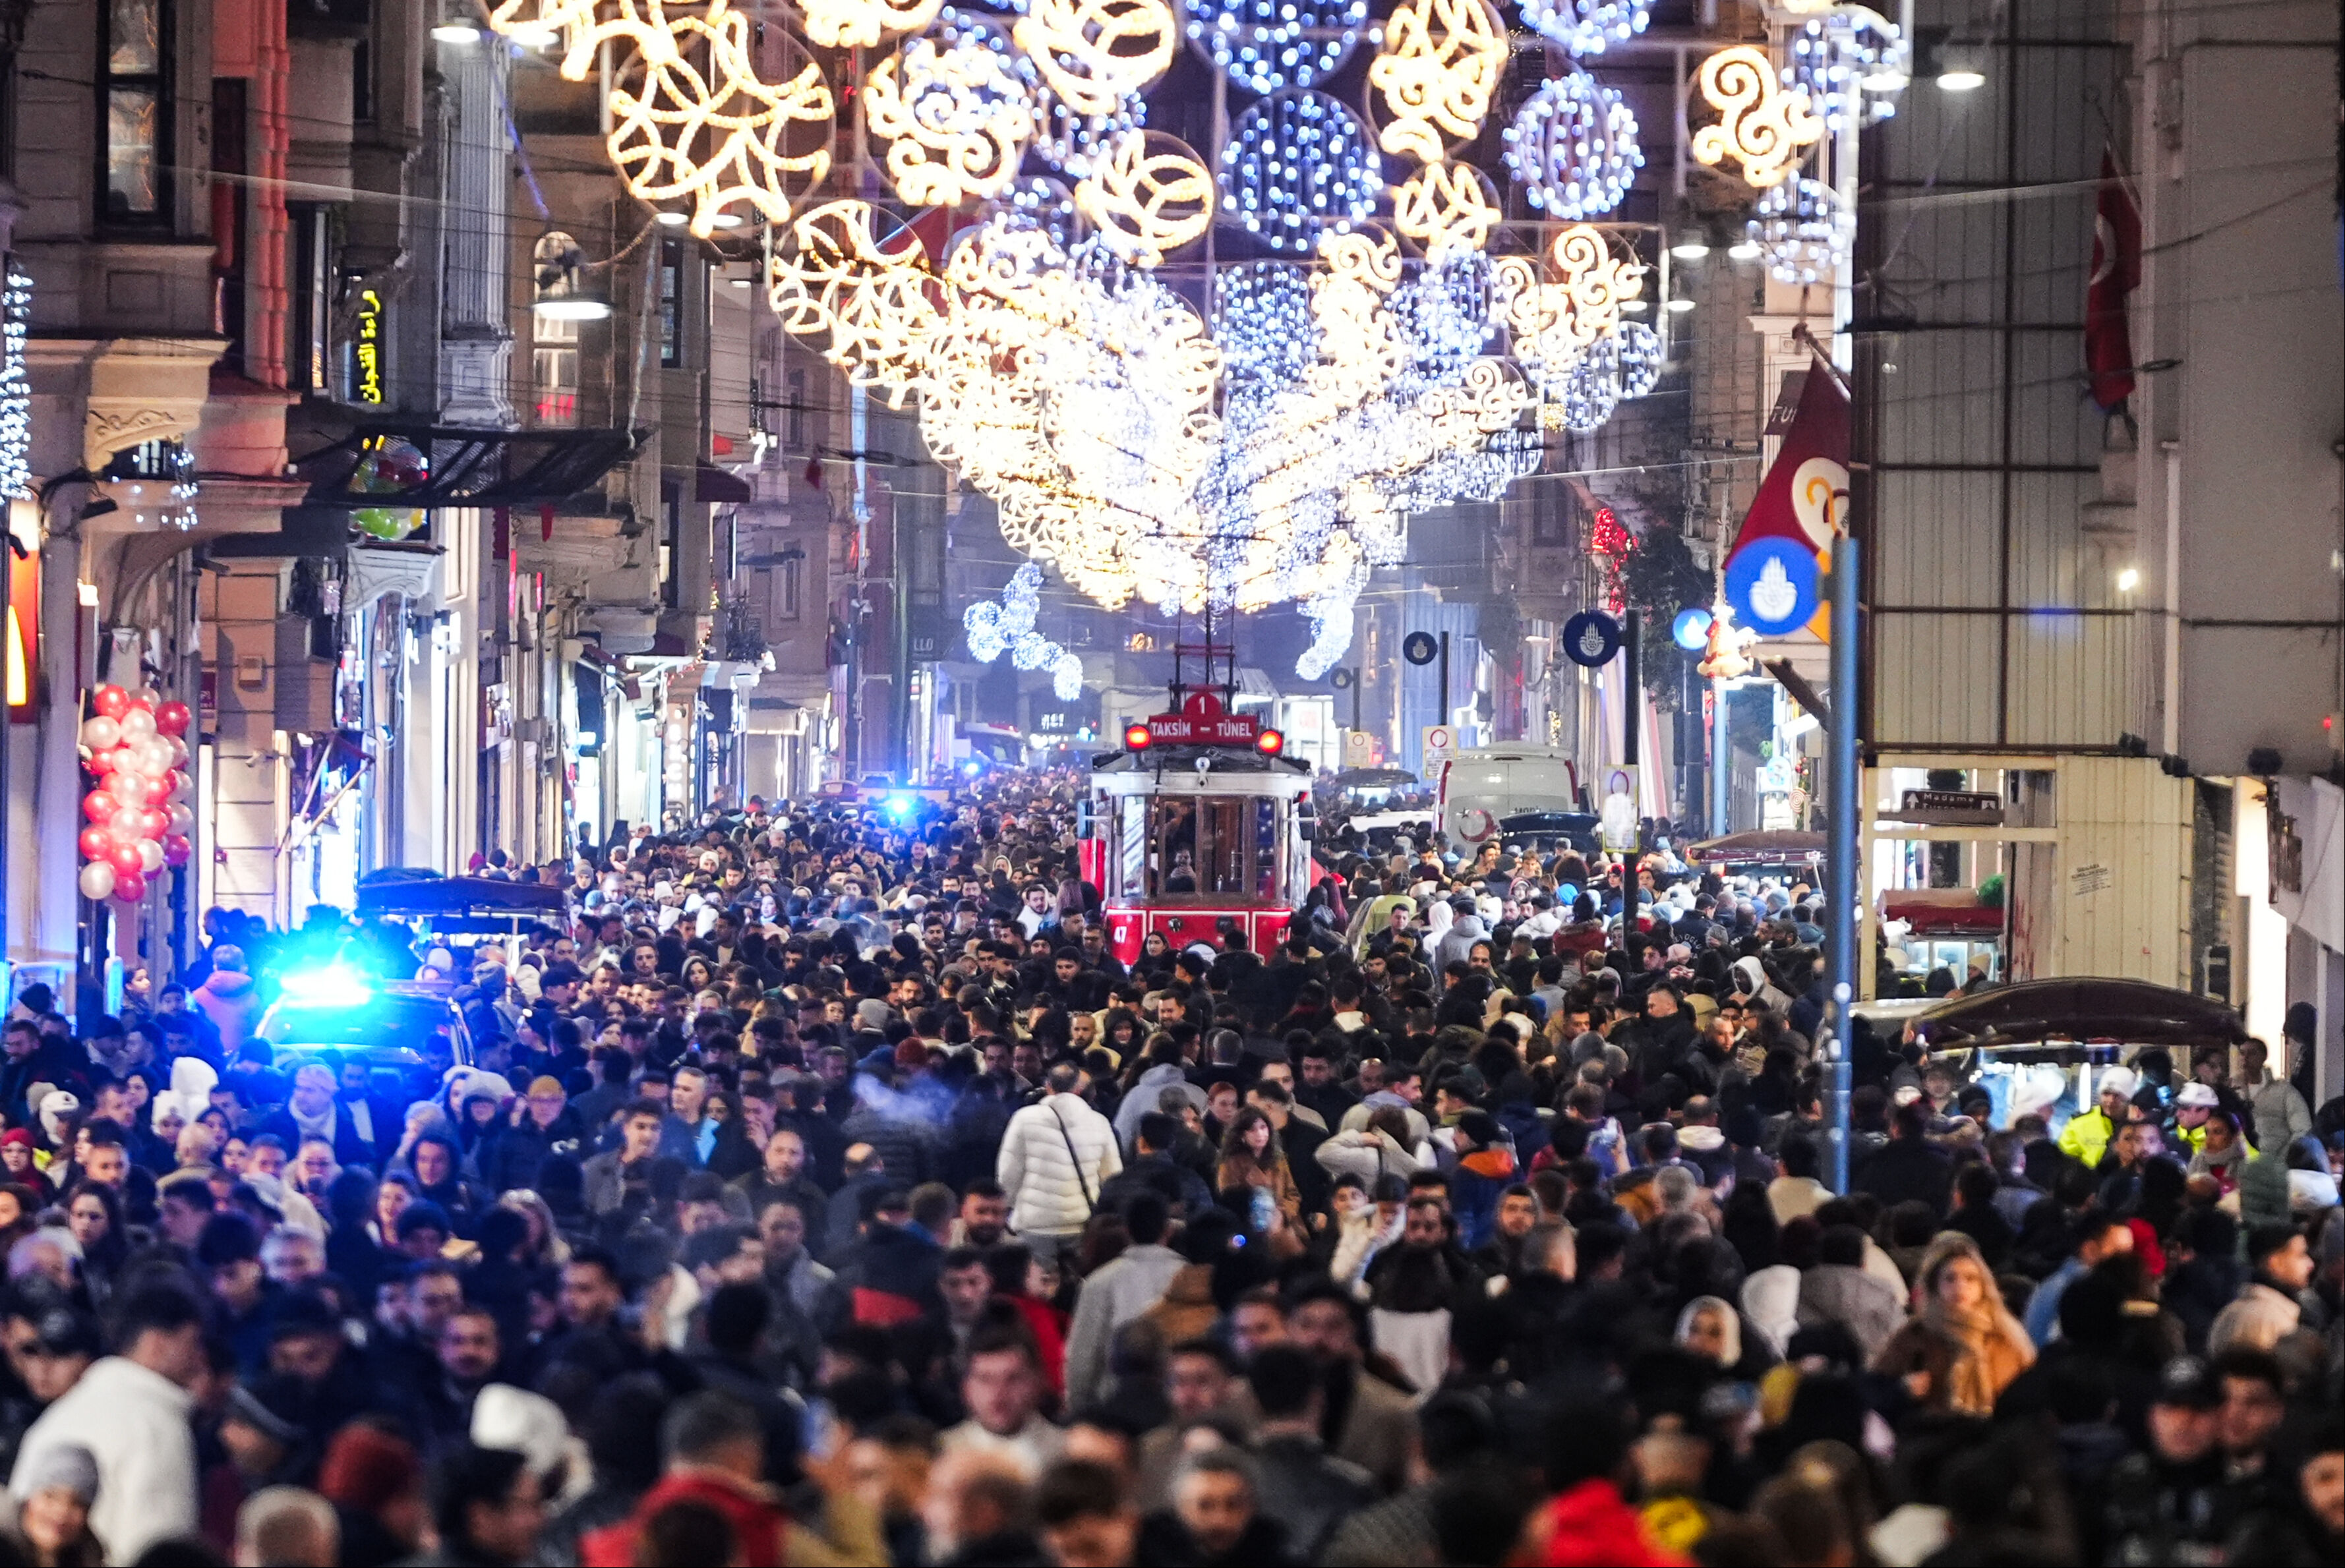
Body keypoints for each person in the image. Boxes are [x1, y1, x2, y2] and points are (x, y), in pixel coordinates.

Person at [8, 1283, 206, 1560]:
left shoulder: (62, 1413)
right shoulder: (156, 1426)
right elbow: (159, 1549)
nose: (199, 1358)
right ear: (157, 1343)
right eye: (192, 1342)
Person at [996, 1063, 1120, 1265]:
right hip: (1081, 1222)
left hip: (1034, 1223)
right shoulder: (1099, 1122)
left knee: (1037, 1287)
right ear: (1080, 1090)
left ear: (1048, 1086)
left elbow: (1008, 1174)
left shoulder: (1025, 1118)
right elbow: (1112, 1176)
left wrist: (1007, 1209)